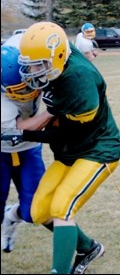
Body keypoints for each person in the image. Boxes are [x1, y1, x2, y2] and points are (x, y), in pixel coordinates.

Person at [10, 21, 120, 273]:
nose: (34, 70)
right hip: (69, 151)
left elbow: (61, 133)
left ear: (59, 57)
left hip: (97, 149)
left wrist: (25, 131)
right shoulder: (55, 52)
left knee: (62, 207)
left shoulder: (79, 80)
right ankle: (88, 247)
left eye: (39, 65)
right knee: (38, 211)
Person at [1, 42, 45, 253]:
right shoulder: (3, 106)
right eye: (21, 87)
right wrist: (51, 112)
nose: (29, 89)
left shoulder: (31, 72)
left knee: (33, 212)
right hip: (2, 153)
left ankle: (12, 216)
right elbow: (28, 126)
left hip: (29, 149)